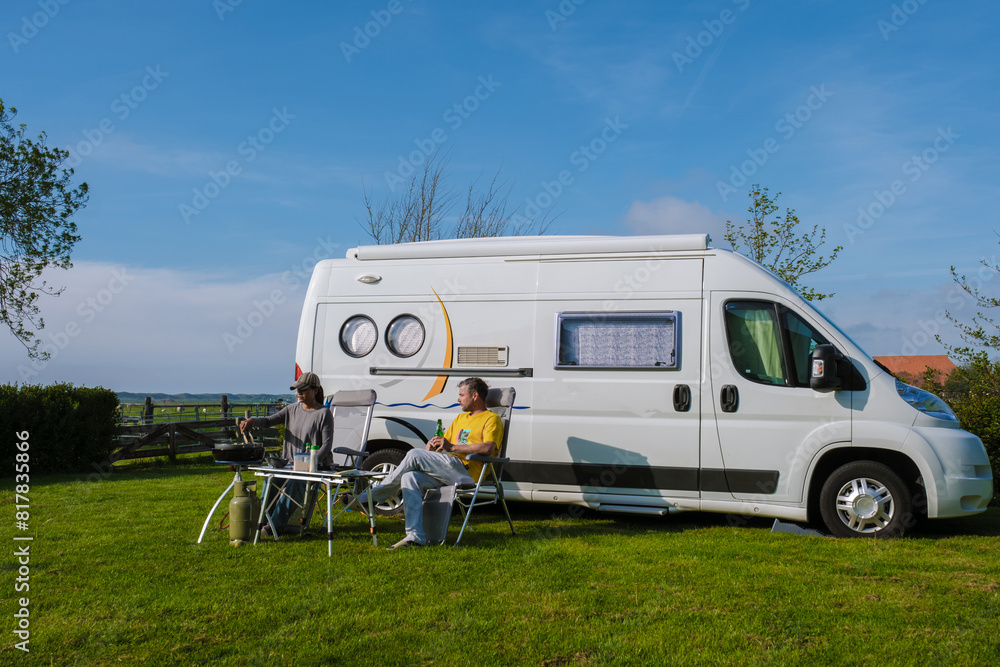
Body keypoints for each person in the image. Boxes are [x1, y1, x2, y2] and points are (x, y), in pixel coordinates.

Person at [345, 377, 502, 549]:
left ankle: (373, 496)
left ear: (475, 395)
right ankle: (415, 537)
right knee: (410, 477)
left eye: (461, 395)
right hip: (449, 469)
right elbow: (446, 445)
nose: (458, 399)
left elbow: (488, 447)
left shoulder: (491, 419)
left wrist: (453, 447)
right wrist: (434, 447)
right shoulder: (460, 418)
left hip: (467, 472)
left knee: (414, 454)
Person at [241, 371, 333, 536]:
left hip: (314, 466)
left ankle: (273, 527)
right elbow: (269, 421)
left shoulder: (324, 413)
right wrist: (253, 421)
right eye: (297, 389)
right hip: (288, 463)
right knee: (273, 479)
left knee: (297, 481)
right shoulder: (291, 410)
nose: (299, 393)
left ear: (315, 390)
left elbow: (327, 444)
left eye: (303, 389)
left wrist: (311, 460)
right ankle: (261, 521)